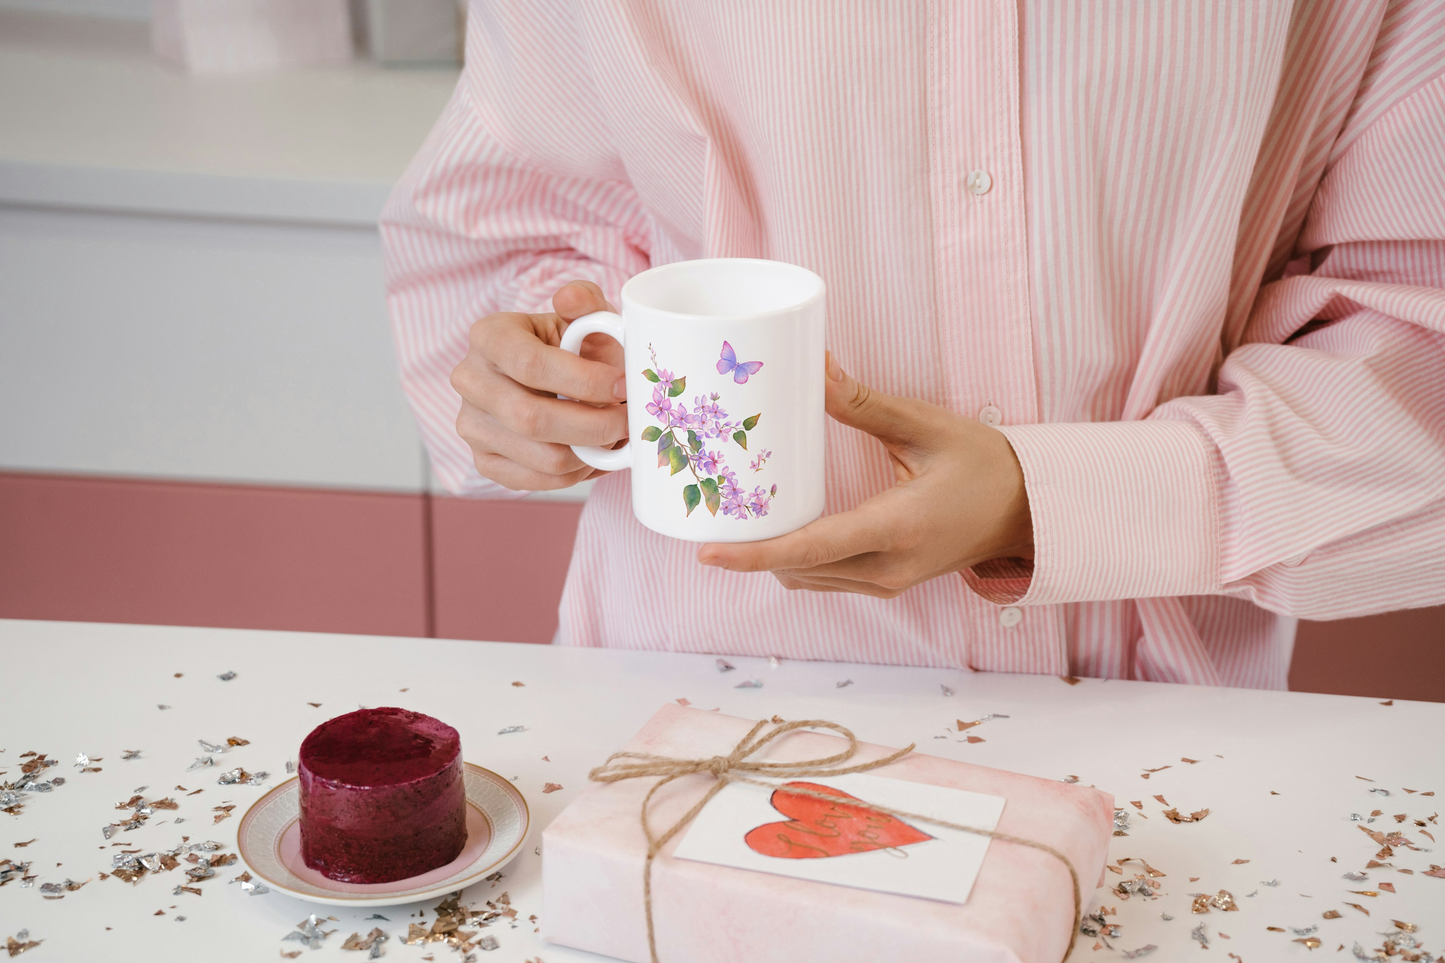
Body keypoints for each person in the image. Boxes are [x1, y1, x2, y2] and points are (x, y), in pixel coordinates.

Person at [380, 0, 1445, 687]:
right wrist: (535, 384)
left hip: (1148, 734)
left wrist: (1051, 501)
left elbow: (1417, 344)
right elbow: (507, 234)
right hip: (685, 698)